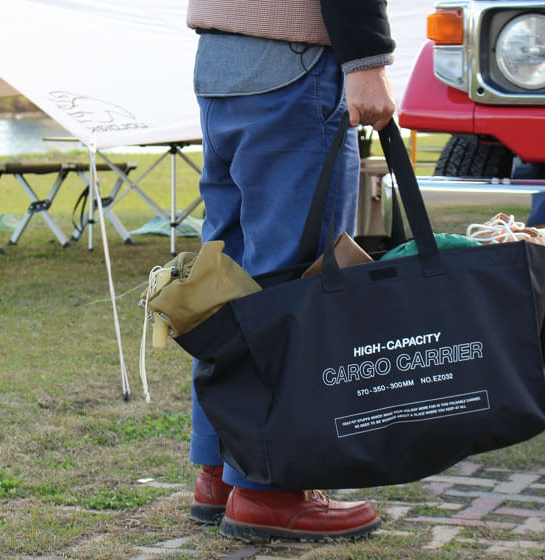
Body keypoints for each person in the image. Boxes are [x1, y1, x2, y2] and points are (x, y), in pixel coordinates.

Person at [185, 0, 396, 542]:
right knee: (296, 279)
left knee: (226, 274)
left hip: (221, 57)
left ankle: (220, 473)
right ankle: (270, 491)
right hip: (295, 59)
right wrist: (366, 59)